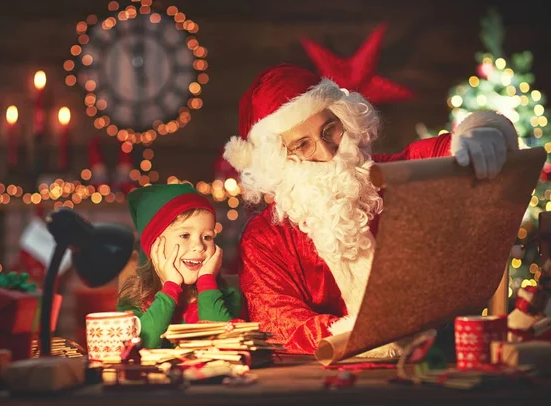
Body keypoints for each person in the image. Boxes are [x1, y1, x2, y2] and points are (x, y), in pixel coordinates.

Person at [223, 63, 519, 356]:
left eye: (330, 130)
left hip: (429, 364)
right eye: (303, 145)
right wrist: (370, 337)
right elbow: (281, 322)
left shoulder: (387, 177)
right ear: (278, 157)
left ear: (345, 121)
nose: (327, 152)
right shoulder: (265, 238)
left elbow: (445, 152)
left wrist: (481, 131)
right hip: (325, 383)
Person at [118, 184, 243, 348]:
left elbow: (229, 346)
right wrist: (170, 289)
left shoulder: (227, 296)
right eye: (185, 235)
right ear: (156, 245)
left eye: (207, 237)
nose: (199, 246)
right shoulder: (133, 301)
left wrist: (207, 282)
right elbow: (142, 346)